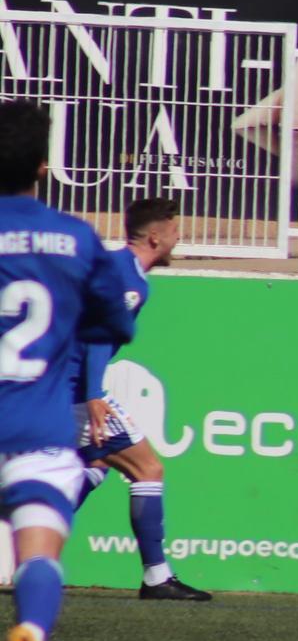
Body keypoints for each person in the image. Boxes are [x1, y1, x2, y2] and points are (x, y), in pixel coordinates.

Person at [0, 99, 137, 641]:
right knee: (39, 552)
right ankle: (30, 631)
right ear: (44, 165)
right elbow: (117, 321)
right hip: (37, 434)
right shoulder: (77, 238)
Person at [72, 196, 209, 601]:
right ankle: (156, 577)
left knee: (95, 462)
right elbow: (96, 338)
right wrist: (94, 394)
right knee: (148, 469)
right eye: (174, 231)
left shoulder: (115, 267)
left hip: (59, 386)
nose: (178, 238)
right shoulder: (129, 282)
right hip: (76, 389)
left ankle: (33, 534)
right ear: (154, 236)